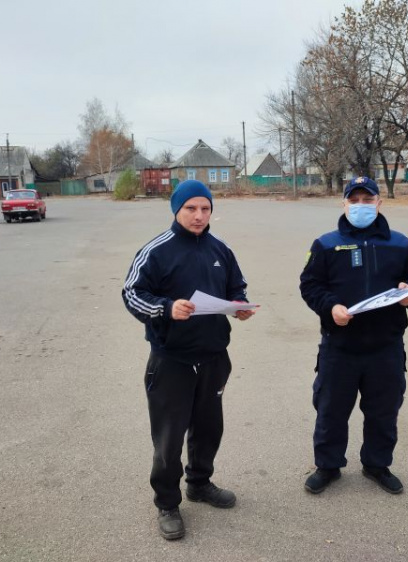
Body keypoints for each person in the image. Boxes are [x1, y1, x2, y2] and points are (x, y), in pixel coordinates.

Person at [122, 179, 255, 540]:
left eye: (205, 208)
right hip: (171, 361)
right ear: (176, 209)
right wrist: (166, 308)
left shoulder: (221, 249)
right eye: (191, 209)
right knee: (169, 438)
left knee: (209, 428)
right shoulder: (157, 250)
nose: (199, 216)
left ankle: (199, 483)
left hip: (213, 357)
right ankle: (167, 502)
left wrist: (239, 306)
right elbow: (132, 293)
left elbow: (236, 286)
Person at [299, 176, 408, 495]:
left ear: (379, 203)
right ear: (344, 204)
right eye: (354, 200)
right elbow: (310, 285)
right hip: (339, 346)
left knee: (383, 410)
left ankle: (377, 464)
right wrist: (330, 308)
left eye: (367, 200)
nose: (361, 206)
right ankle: (328, 466)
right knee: (331, 409)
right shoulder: (325, 244)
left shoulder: (400, 243)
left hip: (385, 347)